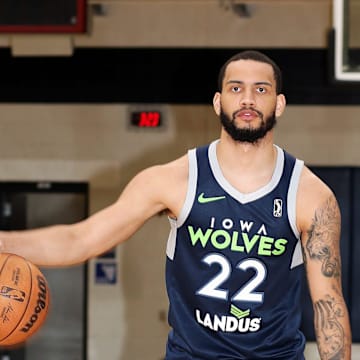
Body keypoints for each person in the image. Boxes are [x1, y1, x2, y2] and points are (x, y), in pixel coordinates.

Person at [0, 50, 352, 359]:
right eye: (235, 88)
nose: (247, 99)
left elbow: (328, 303)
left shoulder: (310, 195)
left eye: (260, 89)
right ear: (218, 102)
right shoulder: (172, 180)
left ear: (278, 104)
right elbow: (82, 239)